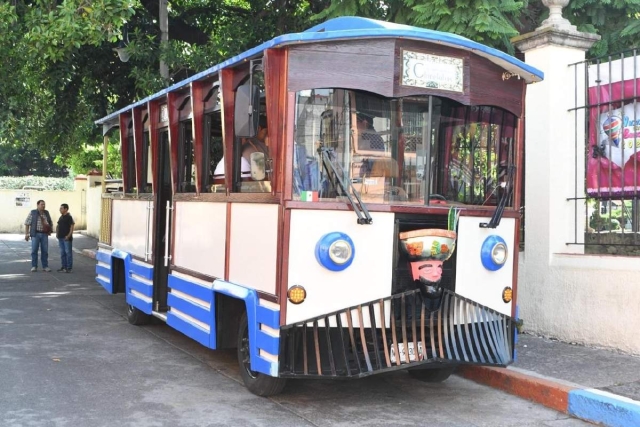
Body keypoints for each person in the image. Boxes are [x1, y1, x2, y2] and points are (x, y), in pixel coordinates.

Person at [24, 200, 53, 272]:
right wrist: (27, 234)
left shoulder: (46, 213)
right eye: (42, 204)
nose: (43, 206)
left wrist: (50, 230)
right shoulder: (33, 212)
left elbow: (50, 222)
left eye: (44, 204)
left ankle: (45, 266)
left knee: (45, 251)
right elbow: (27, 223)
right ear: (37, 205)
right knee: (34, 250)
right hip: (35, 234)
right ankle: (34, 266)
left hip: (44, 234)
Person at [56, 203, 75, 273]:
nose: (60, 209)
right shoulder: (61, 217)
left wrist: (68, 236)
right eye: (60, 208)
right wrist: (57, 234)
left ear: (66, 209)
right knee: (62, 253)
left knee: (68, 253)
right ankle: (63, 266)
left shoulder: (69, 217)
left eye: (61, 208)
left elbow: (72, 227)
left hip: (66, 238)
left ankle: (69, 268)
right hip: (60, 237)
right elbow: (58, 225)